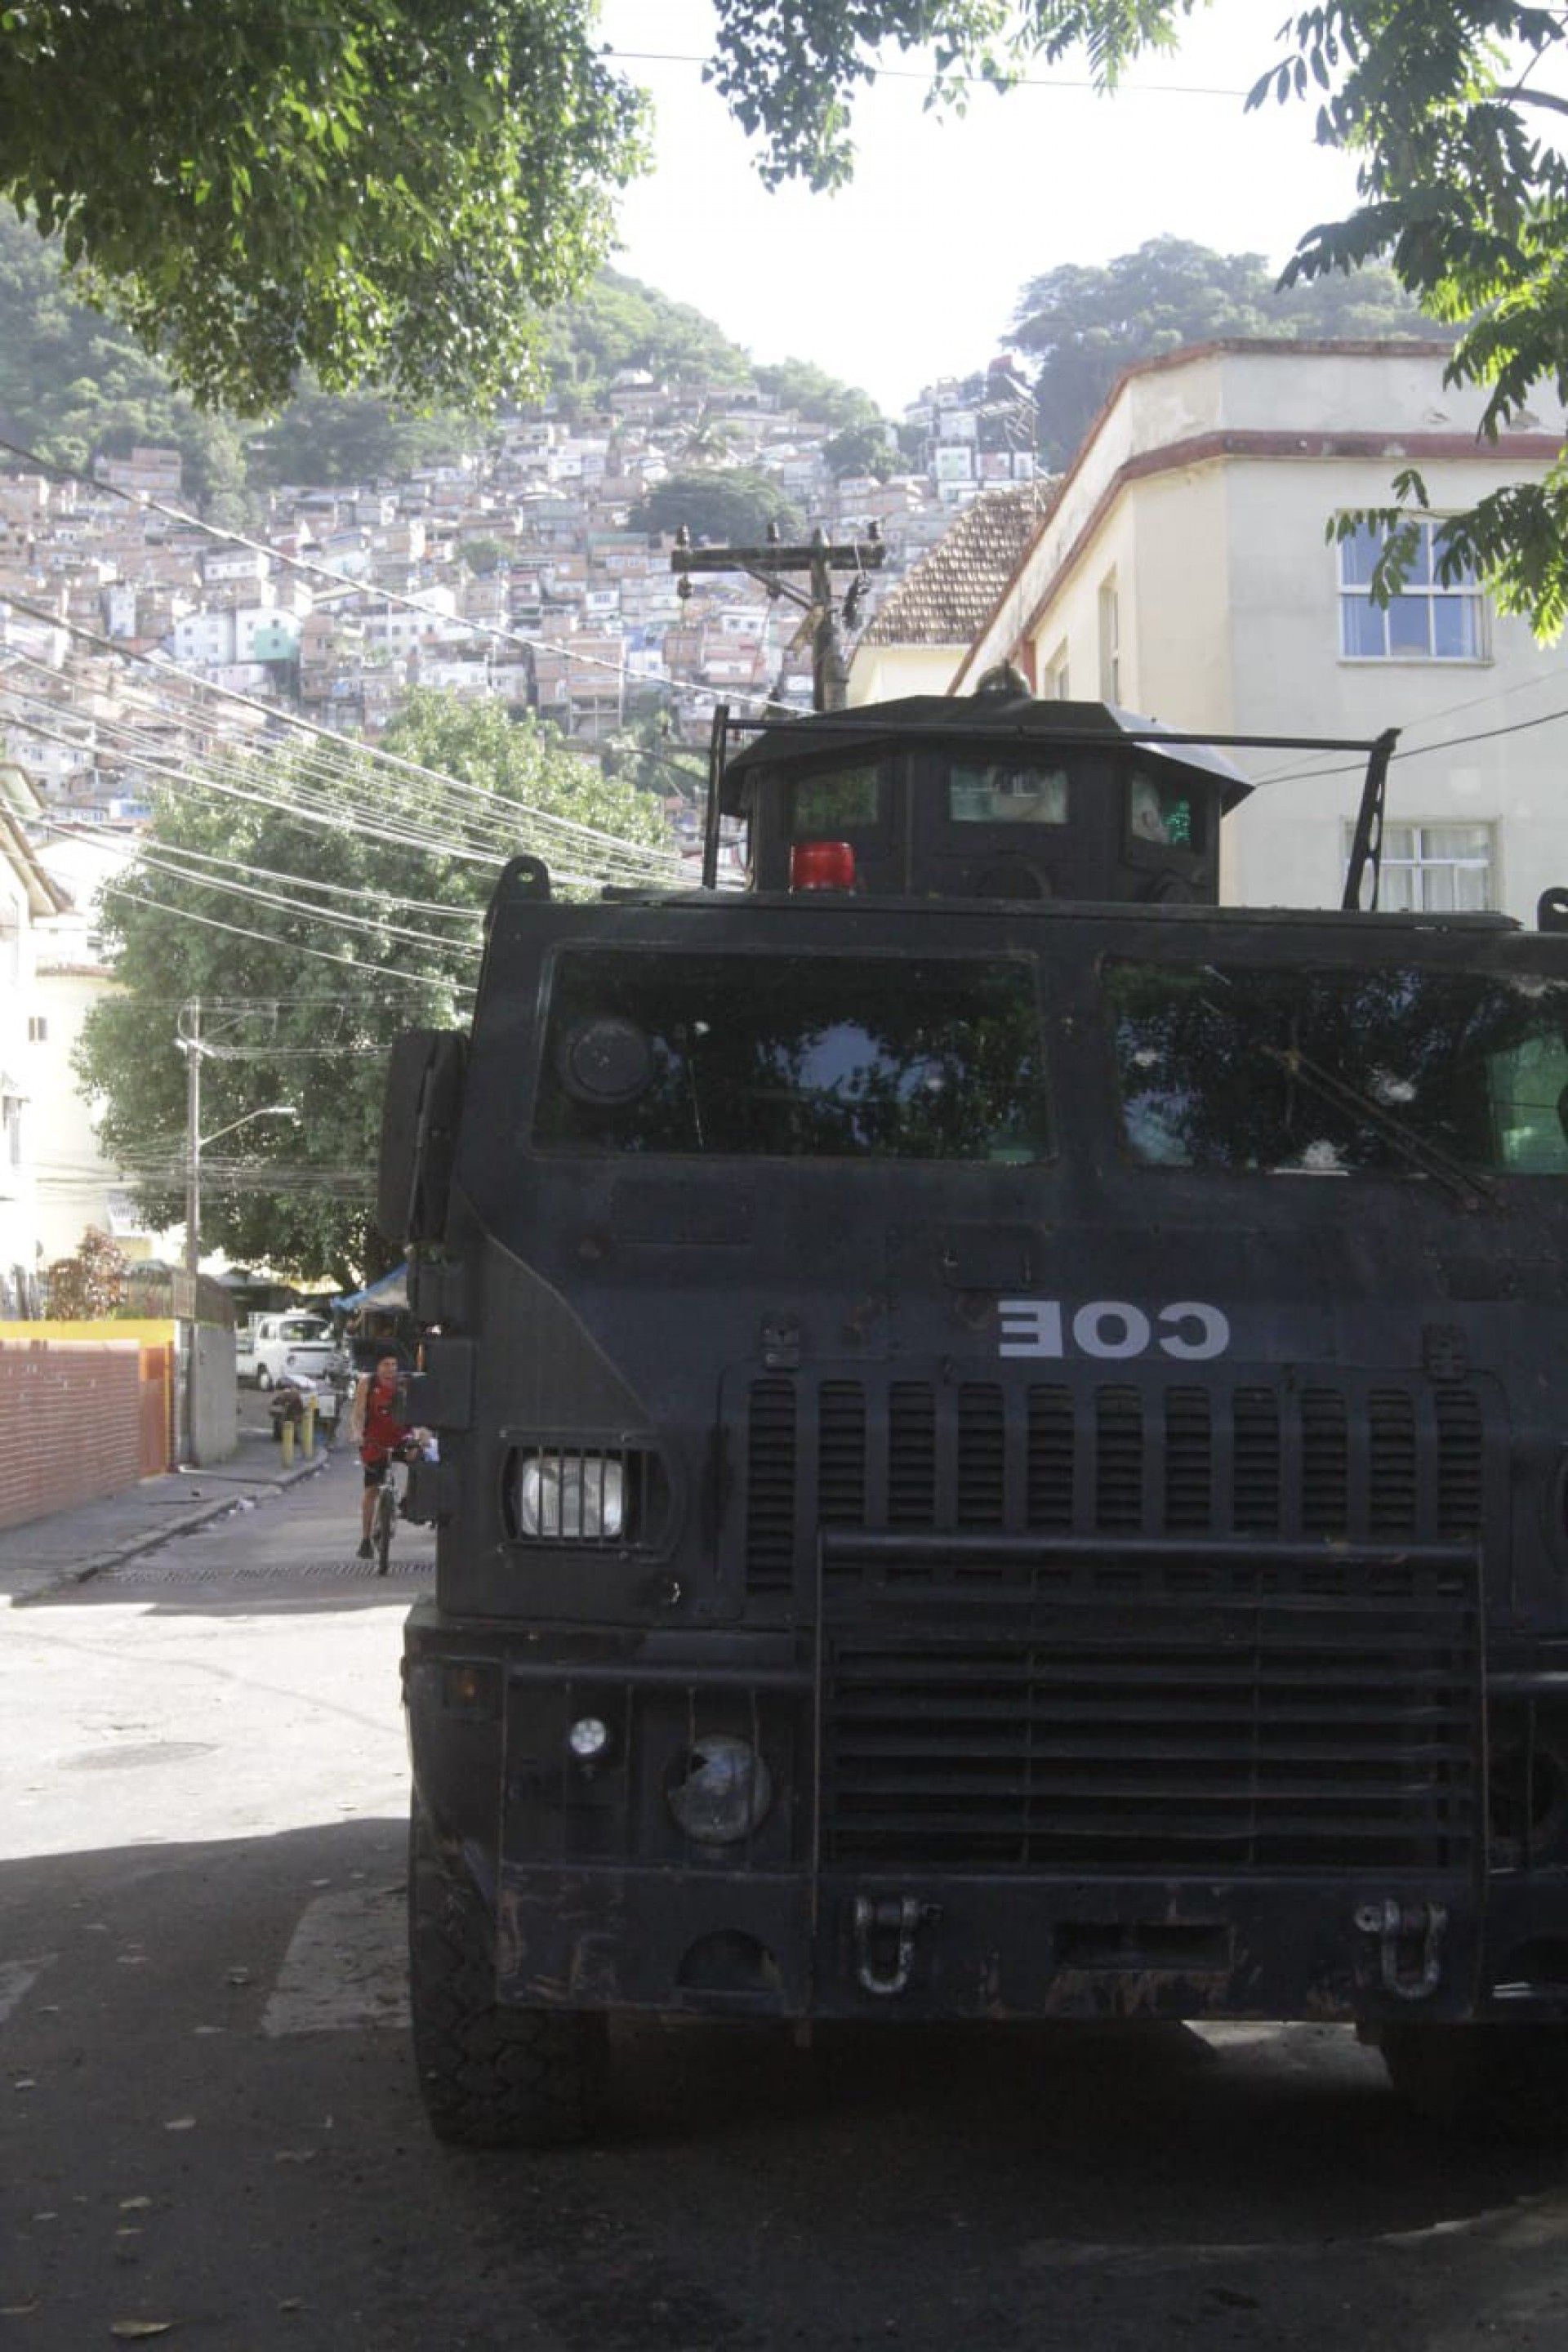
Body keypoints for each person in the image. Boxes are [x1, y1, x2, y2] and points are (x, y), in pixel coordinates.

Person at [350, 1352, 412, 1566]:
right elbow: (358, 1414)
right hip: (375, 1441)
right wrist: (357, 1433)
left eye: (394, 1364)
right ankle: (366, 1539)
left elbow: (418, 1415)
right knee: (371, 1490)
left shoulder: (404, 1384)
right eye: (385, 1364)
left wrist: (422, 1434)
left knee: (420, 1459)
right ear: (377, 1367)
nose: (390, 1369)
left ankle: (407, 1499)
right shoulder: (367, 1384)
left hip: (401, 1438)